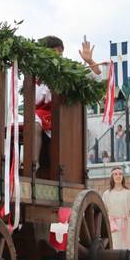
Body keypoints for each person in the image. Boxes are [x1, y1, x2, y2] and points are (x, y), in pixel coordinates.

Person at [32, 36, 102, 166]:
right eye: (54, 51)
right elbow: (36, 100)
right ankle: (33, 164)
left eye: (61, 51)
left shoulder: (69, 69)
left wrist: (90, 60)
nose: (58, 54)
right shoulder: (38, 74)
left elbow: (97, 79)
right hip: (44, 113)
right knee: (35, 122)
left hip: (65, 113)